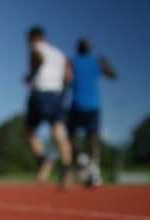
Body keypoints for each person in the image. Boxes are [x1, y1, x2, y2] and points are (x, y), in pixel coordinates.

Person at [24, 26, 73, 190]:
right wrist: (62, 91)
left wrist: (31, 74)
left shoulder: (35, 47)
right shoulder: (59, 54)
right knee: (59, 132)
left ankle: (43, 159)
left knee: (29, 131)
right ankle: (66, 170)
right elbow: (68, 76)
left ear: (33, 37)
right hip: (56, 95)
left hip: (41, 92)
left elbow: (38, 59)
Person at [68, 38, 117, 187]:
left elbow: (65, 78)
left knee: (72, 137)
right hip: (91, 106)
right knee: (92, 139)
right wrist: (105, 63)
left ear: (78, 48)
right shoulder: (96, 62)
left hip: (80, 105)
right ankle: (92, 169)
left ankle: (86, 164)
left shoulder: (73, 61)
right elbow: (113, 74)